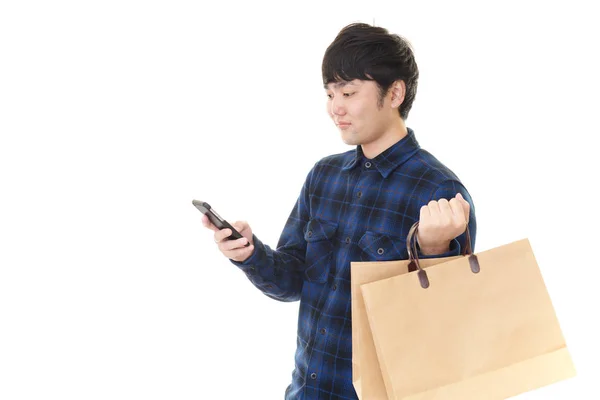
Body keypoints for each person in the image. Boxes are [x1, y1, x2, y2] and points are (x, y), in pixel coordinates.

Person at [201, 22, 477, 400]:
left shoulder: (438, 191)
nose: (335, 108)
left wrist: (433, 251)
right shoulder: (323, 175)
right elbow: (293, 280)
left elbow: (449, 329)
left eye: (348, 92)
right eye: (330, 93)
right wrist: (251, 254)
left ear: (395, 92)